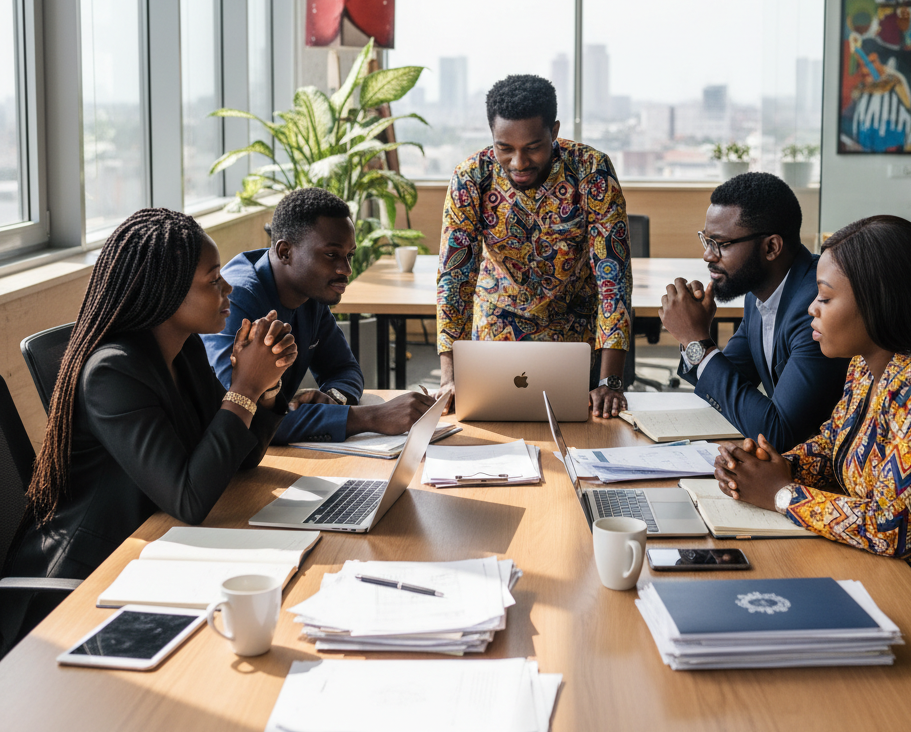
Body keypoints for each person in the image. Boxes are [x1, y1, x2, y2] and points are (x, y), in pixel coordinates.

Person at [713, 215, 911, 700]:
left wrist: (780, 493)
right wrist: (772, 463)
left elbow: (891, 526)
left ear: (879, 303)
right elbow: (834, 446)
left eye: (825, 296)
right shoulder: (867, 367)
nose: (812, 309)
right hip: (899, 594)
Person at [2, 208, 297, 650]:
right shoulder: (112, 373)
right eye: (213, 279)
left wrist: (265, 390)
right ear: (168, 291)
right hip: (78, 590)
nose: (228, 289)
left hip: (152, 554)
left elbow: (239, 460)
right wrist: (245, 386)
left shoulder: (184, 349)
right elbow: (189, 498)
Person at [436, 74, 632, 418]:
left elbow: (612, 276)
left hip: (574, 337)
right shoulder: (471, 177)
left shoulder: (590, 171)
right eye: (505, 148)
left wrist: (611, 380)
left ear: (554, 132)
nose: (518, 162)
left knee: (580, 431)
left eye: (532, 147)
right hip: (496, 335)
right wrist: (449, 376)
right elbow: (455, 279)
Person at [203, 187, 435, 443]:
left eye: (349, 255)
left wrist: (335, 399)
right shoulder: (235, 302)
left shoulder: (308, 291)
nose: (346, 269)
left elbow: (344, 368)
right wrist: (373, 417)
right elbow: (246, 418)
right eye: (331, 255)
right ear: (285, 252)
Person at [660, 171, 849, 449]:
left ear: (771, 247)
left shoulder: (815, 307)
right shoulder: (759, 295)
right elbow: (728, 379)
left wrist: (695, 338)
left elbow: (779, 434)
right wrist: (694, 338)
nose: (708, 255)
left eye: (721, 244)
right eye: (706, 240)